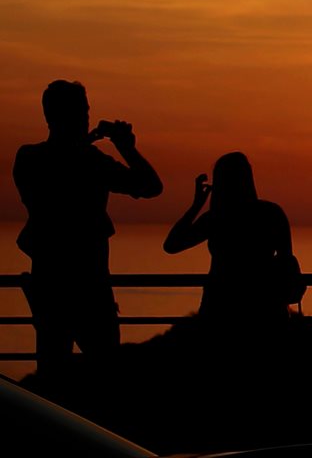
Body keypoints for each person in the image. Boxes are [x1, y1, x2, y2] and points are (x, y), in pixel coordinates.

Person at [12, 80, 163, 373]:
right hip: (91, 289)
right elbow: (151, 186)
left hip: (50, 286)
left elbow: (57, 169)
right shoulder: (91, 162)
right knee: (107, 373)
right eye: (82, 111)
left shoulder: (28, 158)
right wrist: (127, 148)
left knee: (51, 373)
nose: (86, 118)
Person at [163, 152, 297, 337]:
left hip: (220, 305)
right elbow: (286, 259)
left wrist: (196, 205)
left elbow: (172, 245)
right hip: (266, 305)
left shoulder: (216, 218)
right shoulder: (272, 213)